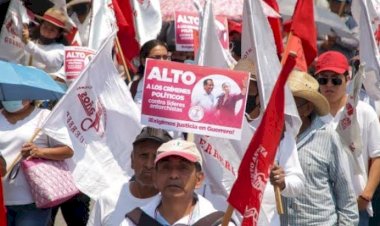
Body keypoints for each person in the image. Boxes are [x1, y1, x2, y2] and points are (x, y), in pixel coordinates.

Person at [280, 70, 359, 225]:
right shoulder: (272, 140)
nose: (284, 110)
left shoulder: (328, 137)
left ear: (308, 108)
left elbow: (346, 195)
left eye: (291, 105)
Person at [233, 59, 305, 225]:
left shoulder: (278, 133)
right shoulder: (218, 127)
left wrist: (283, 181)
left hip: (265, 220)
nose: (243, 93)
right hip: (224, 217)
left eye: (250, 87)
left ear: (261, 94)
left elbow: (298, 183)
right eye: (239, 86)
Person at [315, 50, 380, 226]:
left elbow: (377, 157)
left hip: (355, 208)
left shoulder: (365, 112)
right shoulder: (311, 115)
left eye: (335, 79)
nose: (329, 85)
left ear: (347, 78)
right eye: (323, 79)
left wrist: (367, 194)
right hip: (319, 210)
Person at [121, 140, 235, 226]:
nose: (173, 175)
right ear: (155, 177)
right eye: (166, 167)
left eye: (183, 168)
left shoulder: (221, 224)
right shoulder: (132, 222)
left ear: (199, 179)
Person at [0, 100, 73, 226]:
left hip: (34, 201)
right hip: (2, 200)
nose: (12, 98)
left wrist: (39, 152)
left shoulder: (45, 116)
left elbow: (68, 151)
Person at [87, 127, 172, 226]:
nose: (149, 165)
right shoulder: (108, 198)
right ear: (132, 160)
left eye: (156, 157)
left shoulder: (175, 207)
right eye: (144, 155)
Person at [21, 7, 68, 74]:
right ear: (40, 26)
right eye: (45, 27)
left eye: (52, 30)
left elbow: (48, 58)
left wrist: (27, 42)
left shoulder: (61, 49)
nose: (47, 31)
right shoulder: (31, 42)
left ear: (58, 34)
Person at [129, 39, 170, 109]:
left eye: (165, 57)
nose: (162, 61)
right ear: (143, 61)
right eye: (157, 57)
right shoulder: (133, 86)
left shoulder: (179, 88)